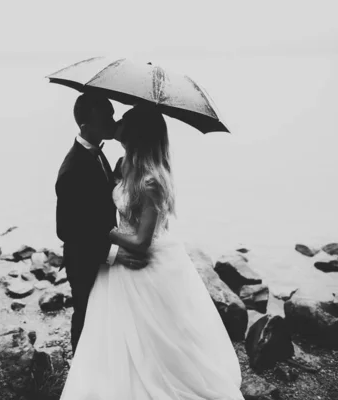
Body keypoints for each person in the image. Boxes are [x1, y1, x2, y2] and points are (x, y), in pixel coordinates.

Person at [60, 105, 244, 400]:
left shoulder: (150, 180)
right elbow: (76, 221)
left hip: (137, 256)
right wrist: (107, 240)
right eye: (110, 117)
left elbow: (140, 239)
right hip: (113, 258)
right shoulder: (116, 163)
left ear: (135, 133)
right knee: (107, 326)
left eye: (121, 119)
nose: (115, 122)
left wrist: (106, 235)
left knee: (153, 331)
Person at [55, 93, 147, 354]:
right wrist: (112, 254)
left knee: (102, 318)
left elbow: (98, 204)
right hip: (84, 261)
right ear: (87, 125)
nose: (113, 120)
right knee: (85, 317)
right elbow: (67, 230)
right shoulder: (73, 168)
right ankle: (79, 380)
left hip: (101, 252)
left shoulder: (98, 154)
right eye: (106, 116)